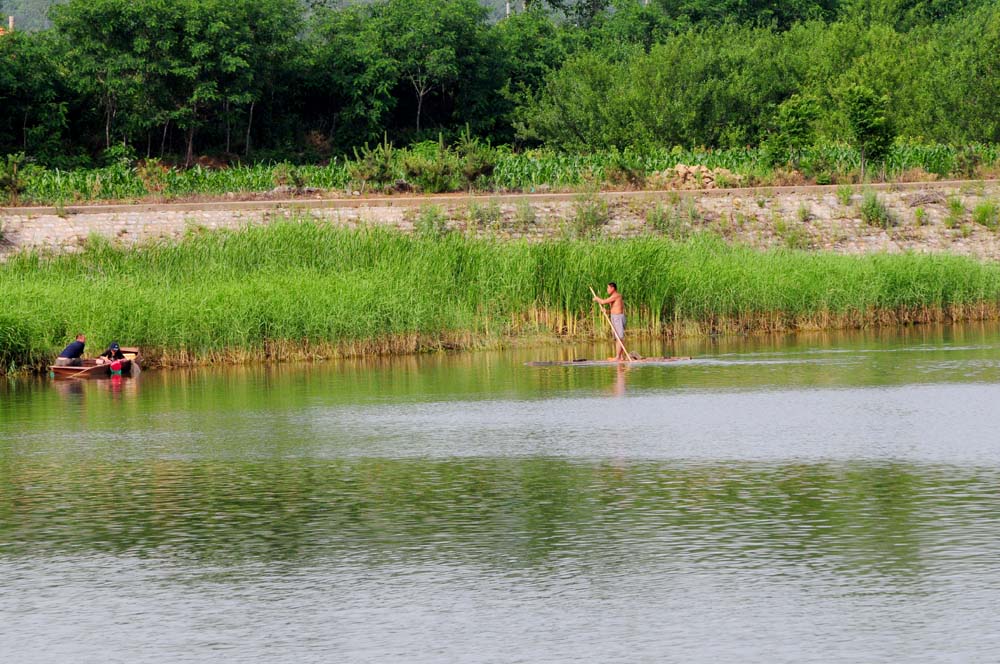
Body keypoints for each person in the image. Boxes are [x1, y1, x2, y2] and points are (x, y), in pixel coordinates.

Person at [593, 282, 627, 361]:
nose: (607, 290)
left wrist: (596, 298)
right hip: (614, 317)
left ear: (613, 288)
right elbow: (614, 309)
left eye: (608, 288)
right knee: (617, 338)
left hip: (618, 318)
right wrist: (607, 311)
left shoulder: (616, 296)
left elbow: (603, 302)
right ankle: (621, 357)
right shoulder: (613, 297)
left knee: (619, 337)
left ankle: (618, 357)